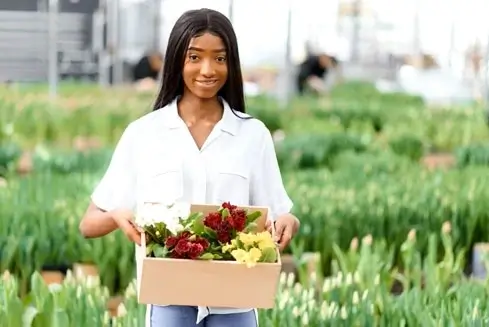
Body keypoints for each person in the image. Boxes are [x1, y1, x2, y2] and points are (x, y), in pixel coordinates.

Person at [79, 8, 300, 327]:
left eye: (219, 58)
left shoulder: (253, 135)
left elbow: (279, 214)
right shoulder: (144, 133)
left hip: (234, 302)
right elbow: (88, 224)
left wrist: (288, 221)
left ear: (231, 63)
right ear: (176, 62)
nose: (208, 69)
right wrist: (116, 216)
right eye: (194, 57)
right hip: (169, 301)